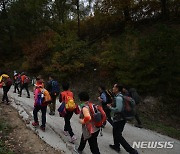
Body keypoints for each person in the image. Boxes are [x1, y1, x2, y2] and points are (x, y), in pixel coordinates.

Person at [107, 84, 139, 154]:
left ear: (117, 89)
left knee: (118, 135)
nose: (113, 88)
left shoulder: (119, 98)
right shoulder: (120, 96)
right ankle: (116, 146)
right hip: (121, 118)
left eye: (114, 87)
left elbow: (118, 109)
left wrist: (110, 107)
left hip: (119, 119)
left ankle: (132, 151)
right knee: (116, 133)